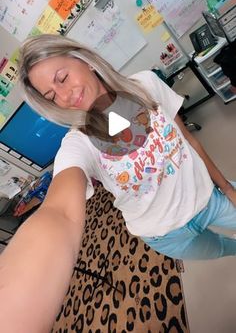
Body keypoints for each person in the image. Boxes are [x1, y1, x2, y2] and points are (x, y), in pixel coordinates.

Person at [0, 33, 236, 332]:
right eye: (51, 96)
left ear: (82, 59)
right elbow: (59, 213)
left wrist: (226, 188)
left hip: (210, 197)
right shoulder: (79, 143)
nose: (65, 96)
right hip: (166, 236)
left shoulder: (146, 85)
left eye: (62, 77)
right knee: (224, 249)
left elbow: (188, 139)